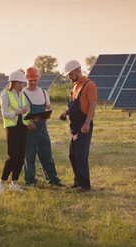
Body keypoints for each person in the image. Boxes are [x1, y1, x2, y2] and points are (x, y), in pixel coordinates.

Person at [22, 67, 64, 187]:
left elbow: (48, 108)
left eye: (35, 80)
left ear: (38, 79)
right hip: (29, 130)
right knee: (29, 156)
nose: (33, 83)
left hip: (43, 128)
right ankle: (30, 181)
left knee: (47, 155)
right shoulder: (22, 94)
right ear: (26, 79)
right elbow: (21, 113)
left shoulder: (44, 93)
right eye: (30, 80)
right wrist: (28, 122)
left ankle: (53, 179)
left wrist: (48, 114)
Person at [59, 60, 97, 192]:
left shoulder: (89, 85)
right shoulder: (75, 86)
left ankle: (85, 185)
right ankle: (77, 181)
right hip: (74, 126)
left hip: (83, 124)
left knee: (81, 155)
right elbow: (75, 105)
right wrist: (65, 112)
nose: (69, 77)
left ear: (78, 70)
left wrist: (87, 123)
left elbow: (92, 105)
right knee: (72, 154)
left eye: (70, 74)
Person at [0, 71, 29, 194]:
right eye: (20, 83)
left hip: (23, 126)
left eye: (22, 83)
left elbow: (26, 109)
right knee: (12, 156)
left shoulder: (22, 94)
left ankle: (14, 183)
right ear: (13, 83)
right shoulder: (5, 94)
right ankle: (1, 182)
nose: (22, 85)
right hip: (12, 127)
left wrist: (30, 118)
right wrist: (19, 112)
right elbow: (5, 113)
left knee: (20, 156)